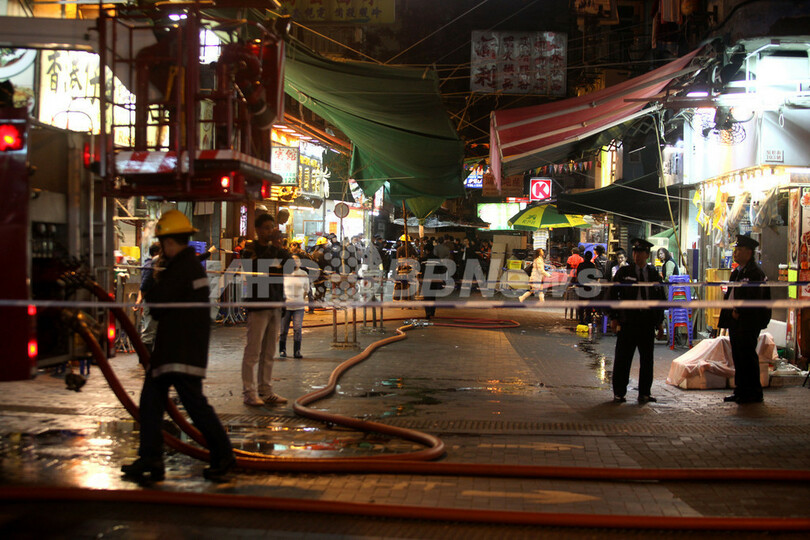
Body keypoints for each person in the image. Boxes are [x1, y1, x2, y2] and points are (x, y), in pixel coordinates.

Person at [121, 210, 234, 482]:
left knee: (191, 406)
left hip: (178, 350)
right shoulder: (190, 266)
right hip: (180, 349)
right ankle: (151, 458)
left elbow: (158, 305)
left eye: (163, 243)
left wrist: (156, 286)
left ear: (170, 241)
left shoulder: (180, 269)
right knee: (153, 402)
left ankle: (223, 457)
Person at [240, 213, 291, 406]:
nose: (270, 231)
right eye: (267, 228)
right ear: (258, 230)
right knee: (253, 351)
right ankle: (249, 392)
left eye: (272, 227)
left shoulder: (276, 249)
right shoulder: (250, 249)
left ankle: (266, 390)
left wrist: (280, 248)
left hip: (275, 303)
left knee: (269, 351)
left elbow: (289, 266)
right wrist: (274, 251)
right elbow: (258, 267)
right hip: (258, 304)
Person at [609, 238, 665, 404]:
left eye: (640, 252)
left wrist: (659, 323)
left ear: (647, 255)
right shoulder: (624, 272)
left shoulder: (653, 274)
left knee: (647, 360)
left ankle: (645, 393)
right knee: (623, 358)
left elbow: (660, 299)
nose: (636, 255)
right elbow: (613, 295)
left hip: (647, 322)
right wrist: (614, 318)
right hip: (628, 321)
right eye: (634, 252)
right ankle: (619, 392)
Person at [717, 234, 771, 404]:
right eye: (735, 250)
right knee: (738, 356)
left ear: (749, 252)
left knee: (747, 355)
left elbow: (755, 298)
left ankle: (753, 392)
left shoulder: (755, 273)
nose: (736, 253)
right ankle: (740, 390)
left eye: (739, 250)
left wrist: (739, 311)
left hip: (748, 322)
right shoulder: (737, 272)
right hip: (734, 321)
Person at [134, 242, 161, 354]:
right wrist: (139, 300)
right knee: (149, 332)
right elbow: (144, 286)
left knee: (153, 331)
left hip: (157, 303)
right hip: (152, 303)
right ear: (156, 253)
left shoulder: (155, 265)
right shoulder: (151, 266)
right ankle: (145, 358)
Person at [279, 255, 309, 359]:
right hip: (286, 306)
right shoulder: (285, 274)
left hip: (299, 307)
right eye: (293, 260)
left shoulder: (303, 274)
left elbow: (306, 289)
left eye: (297, 260)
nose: (296, 262)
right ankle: (282, 350)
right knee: (283, 330)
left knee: (297, 328)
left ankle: (297, 351)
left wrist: (300, 300)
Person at [576, 251, 597, 324]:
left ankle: (581, 320)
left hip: (582, 286)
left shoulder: (580, 265)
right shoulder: (592, 265)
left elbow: (578, 275)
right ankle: (588, 319)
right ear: (591, 257)